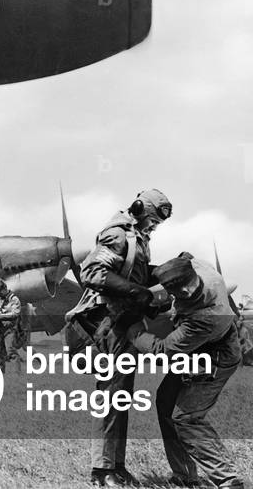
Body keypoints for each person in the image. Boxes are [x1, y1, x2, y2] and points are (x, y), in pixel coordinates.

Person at [68, 188, 172, 487]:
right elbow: (92, 273)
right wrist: (135, 291)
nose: (155, 226)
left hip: (124, 322)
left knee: (121, 396)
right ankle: (101, 471)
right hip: (108, 323)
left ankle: (116, 466)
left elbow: (133, 276)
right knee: (111, 395)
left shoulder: (138, 238)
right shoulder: (117, 235)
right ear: (139, 209)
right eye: (153, 220)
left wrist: (166, 272)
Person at [126, 255, 245, 489]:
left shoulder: (205, 317)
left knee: (186, 419)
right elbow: (185, 257)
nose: (190, 293)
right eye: (182, 291)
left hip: (214, 359)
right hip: (196, 352)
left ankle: (228, 480)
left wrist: (134, 330)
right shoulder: (201, 268)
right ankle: (185, 475)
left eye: (191, 288)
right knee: (165, 402)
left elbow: (162, 351)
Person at [0, 279, 22, 372]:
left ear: (4, 289)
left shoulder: (14, 300)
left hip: (10, 329)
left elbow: (15, 314)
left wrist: (0, 317)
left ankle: (17, 375)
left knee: (11, 352)